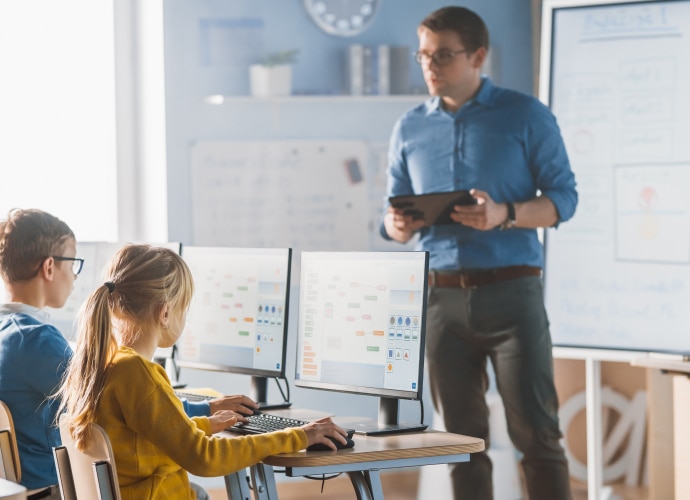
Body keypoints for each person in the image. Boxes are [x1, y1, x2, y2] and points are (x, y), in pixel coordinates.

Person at [381, 6, 577, 500]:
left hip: (513, 294)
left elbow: (564, 200)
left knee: (538, 437)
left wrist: (504, 214)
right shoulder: (408, 127)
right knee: (461, 445)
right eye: (424, 55)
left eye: (443, 55)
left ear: (478, 56)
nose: (430, 65)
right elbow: (390, 216)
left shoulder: (525, 114)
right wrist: (394, 225)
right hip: (440, 302)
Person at [56, 244, 348, 499]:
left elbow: (146, 440)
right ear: (165, 312)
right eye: (185, 308)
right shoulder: (137, 373)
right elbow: (205, 459)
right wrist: (298, 435)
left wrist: (206, 424)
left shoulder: (105, 363)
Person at [0, 208, 79, 498]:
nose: (73, 276)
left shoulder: (8, 332)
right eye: (72, 264)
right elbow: (112, 402)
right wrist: (199, 409)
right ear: (49, 267)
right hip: (51, 490)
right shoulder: (37, 340)